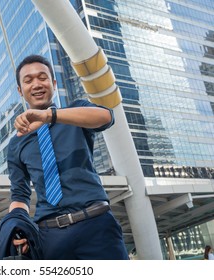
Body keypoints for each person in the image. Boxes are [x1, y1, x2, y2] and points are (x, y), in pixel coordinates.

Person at [7, 54, 129, 260]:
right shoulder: (16, 143)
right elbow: (19, 196)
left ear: (54, 83)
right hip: (49, 237)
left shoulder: (75, 112)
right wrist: (17, 225)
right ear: (20, 90)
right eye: (28, 80)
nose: (36, 84)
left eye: (42, 77)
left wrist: (49, 115)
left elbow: (107, 117)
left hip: (97, 227)